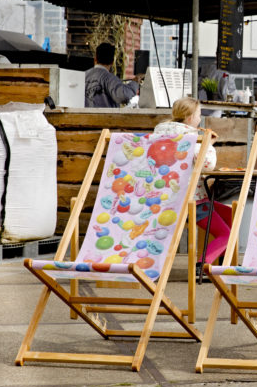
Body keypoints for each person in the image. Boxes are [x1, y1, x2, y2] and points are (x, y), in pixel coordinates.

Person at [153, 97, 228, 266]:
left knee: (231, 216)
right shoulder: (190, 137)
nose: (200, 119)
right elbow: (208, 165)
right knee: (226, 234)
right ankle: (202, 265)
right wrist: (208, 143)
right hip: (190, 201)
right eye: (198, 115)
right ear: (189, 118)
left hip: (163, 199)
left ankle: (223, 262)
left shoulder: (158, 134)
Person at [84, 42, 142, 108]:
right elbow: (123, 95)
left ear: (95, 59)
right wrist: (134, 83)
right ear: (112, 62)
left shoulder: (82, 76)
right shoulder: (109, 78)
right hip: (104, 118)